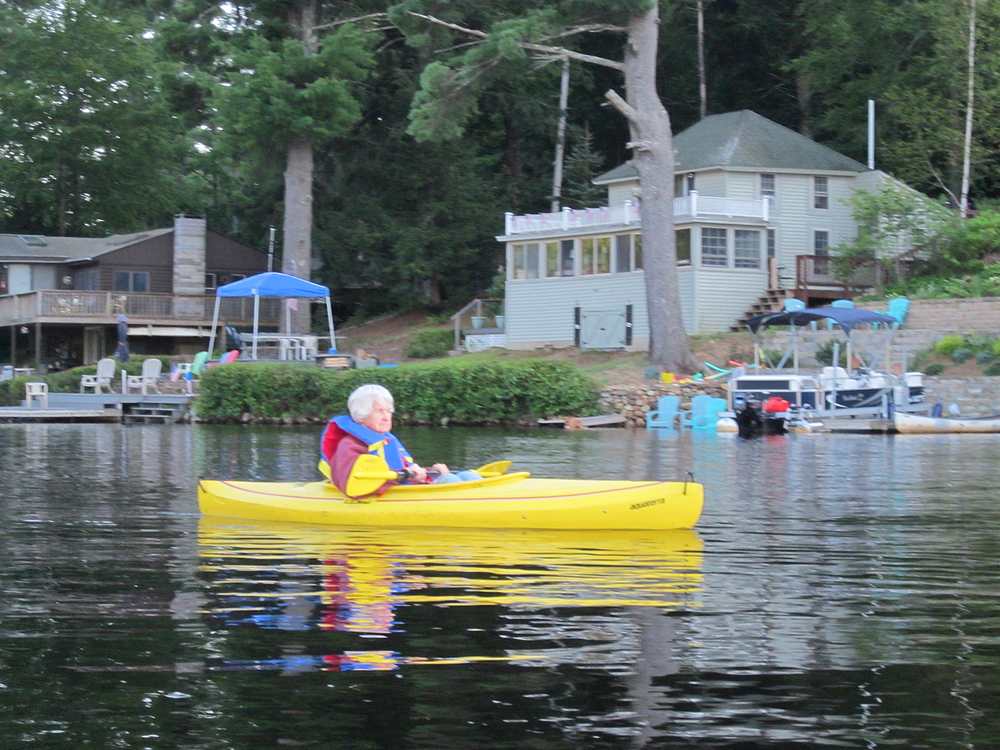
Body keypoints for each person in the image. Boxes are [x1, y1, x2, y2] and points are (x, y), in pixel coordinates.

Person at [321, 384, 452, 496]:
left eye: (389, 411)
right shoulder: (349, 446)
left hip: (405, 489)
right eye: (379, 411)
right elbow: (350, 483)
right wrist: (409, 474)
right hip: (389, 495)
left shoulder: (386, 441)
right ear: (361, 416)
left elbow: (401, 471)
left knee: (465, 477)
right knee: (450, 481)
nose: (386, 417)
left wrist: (432, 472)